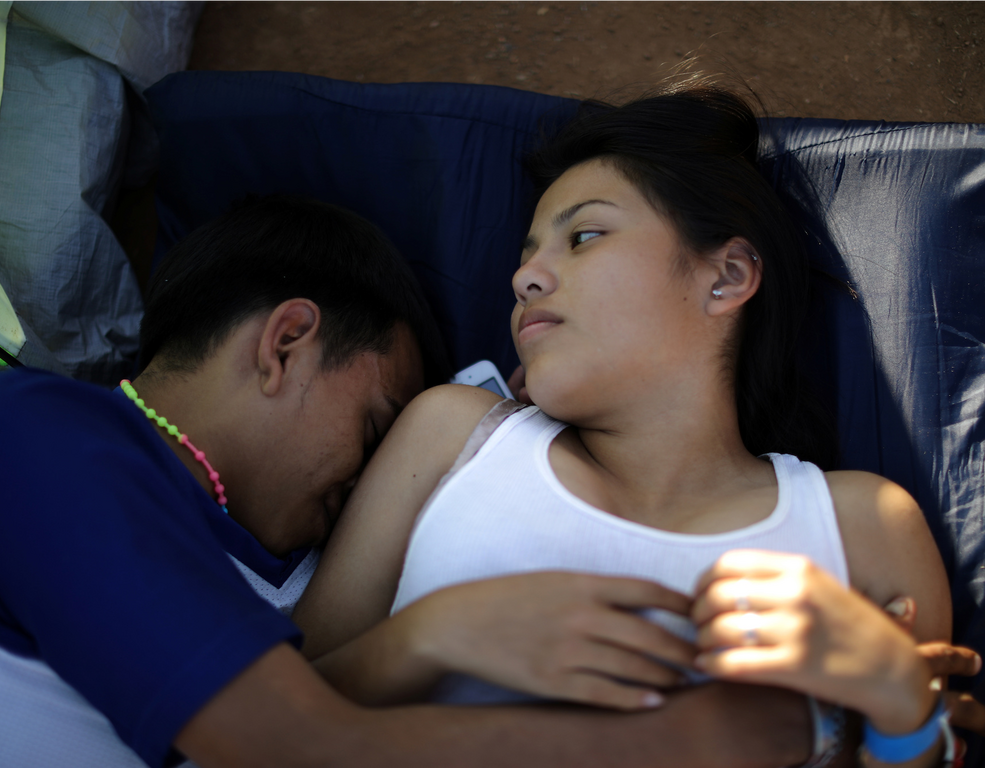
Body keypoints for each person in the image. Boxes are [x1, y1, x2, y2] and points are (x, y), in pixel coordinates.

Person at [0, 194, 820, 768]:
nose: (372, 476)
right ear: (285, 343)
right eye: (377, 427)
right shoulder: (34, 435)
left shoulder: (289, 571)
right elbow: (293, 746)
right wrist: (673, 743)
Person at [291, 85, 972, 767]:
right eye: (526, 256)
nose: (526, 278)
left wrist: (901, 708)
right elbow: (261, 723)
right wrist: (429, 636)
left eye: (584, 236)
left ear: (727, 276)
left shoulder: (864, 527)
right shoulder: (453, 436)